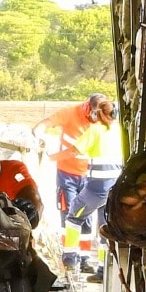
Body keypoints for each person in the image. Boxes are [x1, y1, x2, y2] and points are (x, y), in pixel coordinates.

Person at [34, 94, 111, 266]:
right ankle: (70, 256)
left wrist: (51, 157)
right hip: (67, 174)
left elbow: (75, 150)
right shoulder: (71, 113)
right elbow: (48, 123)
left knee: (86, 218)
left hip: (89, 176)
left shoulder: (100, 126)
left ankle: (82, 258)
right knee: (69, 212)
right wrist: (38, 133)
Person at [67, 102, 124, 275]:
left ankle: (69, 258)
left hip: (97, 187)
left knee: (74, 217)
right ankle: (102, 269)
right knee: (105, 225)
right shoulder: (119, 130)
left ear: (97, 114)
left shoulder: (96, 129)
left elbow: (74, 150)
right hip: (115, 186)